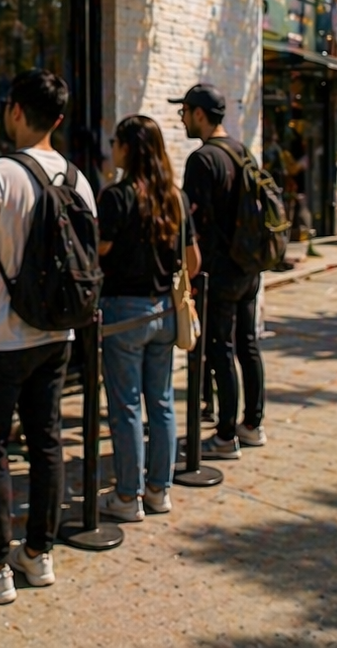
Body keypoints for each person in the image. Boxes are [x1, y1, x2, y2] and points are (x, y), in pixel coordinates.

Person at [0, 69, 96, 605]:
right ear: (56, 118)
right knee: (46, 441)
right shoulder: (79, 179)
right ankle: (39, 553)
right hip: (56, 332)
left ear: (14, 110)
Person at [96, 116, 199, 522]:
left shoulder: (116, 197)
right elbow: (193, 260)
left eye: (115, 141)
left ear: (128, 148)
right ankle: (159, 489)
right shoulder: (173, 197)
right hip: (165, 311)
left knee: (125, 407)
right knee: (161, 403)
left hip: (125, 310)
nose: (111, 148)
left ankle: (128, 495)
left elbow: (99, 251)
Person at [173, 83, 266, 461]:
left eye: (184, 112)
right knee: (247, 344)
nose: (181, 119)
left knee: (220, 350)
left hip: (217, 270)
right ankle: (252, 423)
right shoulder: (243, 153)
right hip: (249, 266)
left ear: (199, 114)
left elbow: (189, 223)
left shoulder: (203, 159)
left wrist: (189, 271)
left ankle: (225, 435)